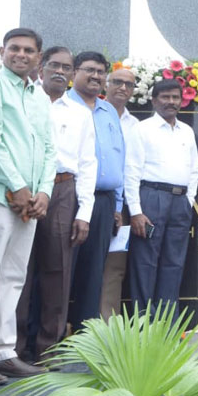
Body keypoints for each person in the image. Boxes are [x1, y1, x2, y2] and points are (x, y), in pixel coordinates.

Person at [0, 28, 55, 382]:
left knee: (15, 275)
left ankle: (4, 350)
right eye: (14, 48)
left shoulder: (39, 95)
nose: (21, 54)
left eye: (29, 50)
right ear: (2, 51)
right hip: (0, 195)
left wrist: (44, 192)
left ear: (39, 57)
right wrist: (17, 186)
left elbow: (50, 149)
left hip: (31, 201)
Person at [18, 46, 96, 361]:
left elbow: (89, 163)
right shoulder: (25, 100)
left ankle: (48, 347)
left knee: (57, 272)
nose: (60, 72)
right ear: (41, 67)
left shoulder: (80, 113)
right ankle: (9, 347)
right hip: (24, 190)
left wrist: (85, 213)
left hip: (64, 190)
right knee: (17, 271)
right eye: (54, 65)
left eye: (67, 67)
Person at [125, 79, 198, 310]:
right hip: (151, 199)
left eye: (175, 97)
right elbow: (131, 171)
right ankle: (144, 323)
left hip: (180, 202)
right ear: (154, 100)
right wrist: (136, 211)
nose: (171, 102)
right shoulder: (142, 129)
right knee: (145, 263)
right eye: (165, 97)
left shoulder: (186, 131)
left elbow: (194, 169)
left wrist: (188, 201)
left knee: (174, 263)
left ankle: (167, 324)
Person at [66, 51, 126, 332]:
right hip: (69, 197)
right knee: (62, 269)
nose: (96, 76)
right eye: (89, 70)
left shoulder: (109, 112)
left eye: (101, 72)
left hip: (103, 203)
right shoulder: (63, 106)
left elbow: (119, 158)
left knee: (93, 274)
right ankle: (49, 338)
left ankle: (83, 336)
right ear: (74, 72)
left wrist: (117, 205)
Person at [101, 67, 140, 320]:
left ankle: (106, 325)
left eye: (128, 84)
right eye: (117, 82)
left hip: (123, 204)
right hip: (91, 198)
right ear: (106, 83)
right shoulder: (91, 113)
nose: (122, 88)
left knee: (115, 267)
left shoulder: (135, 125)